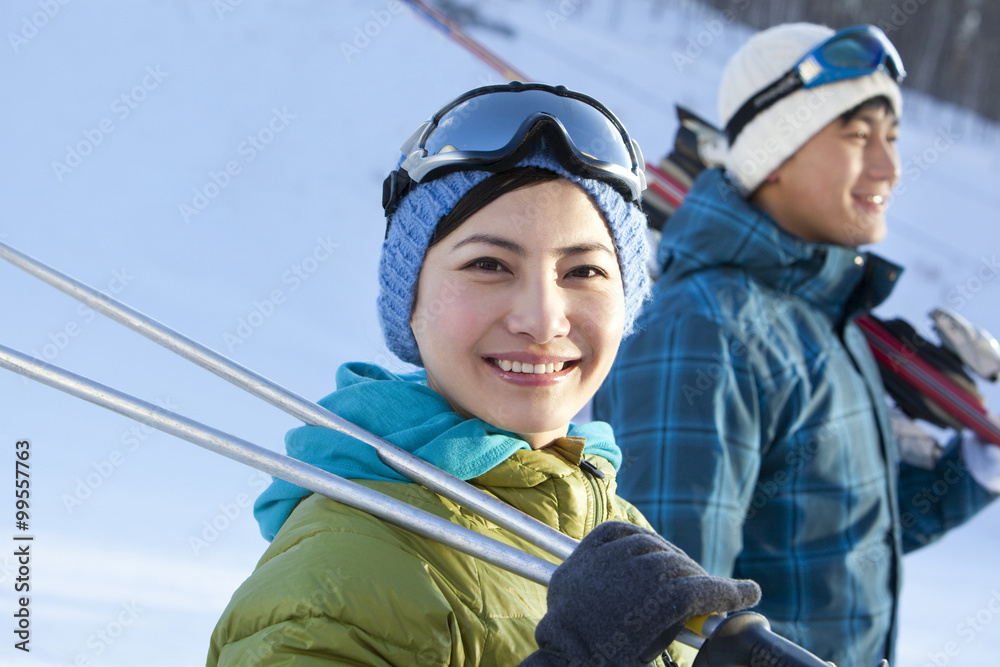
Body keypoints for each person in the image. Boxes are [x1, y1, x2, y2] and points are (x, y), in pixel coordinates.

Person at [206, 82, 761, 666]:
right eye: (489, 264)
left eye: (584, 272)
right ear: (411, 302)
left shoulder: (606, 520)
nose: (543, 320)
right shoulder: (335, 578)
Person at [594, 23, 1000, 667]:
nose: (889, 166)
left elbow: (836, 545)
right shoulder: (703, 331)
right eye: (857, 135)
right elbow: (663, 630)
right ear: (774, 154)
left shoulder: (824, 320)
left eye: (891, 138)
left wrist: (970, 473)